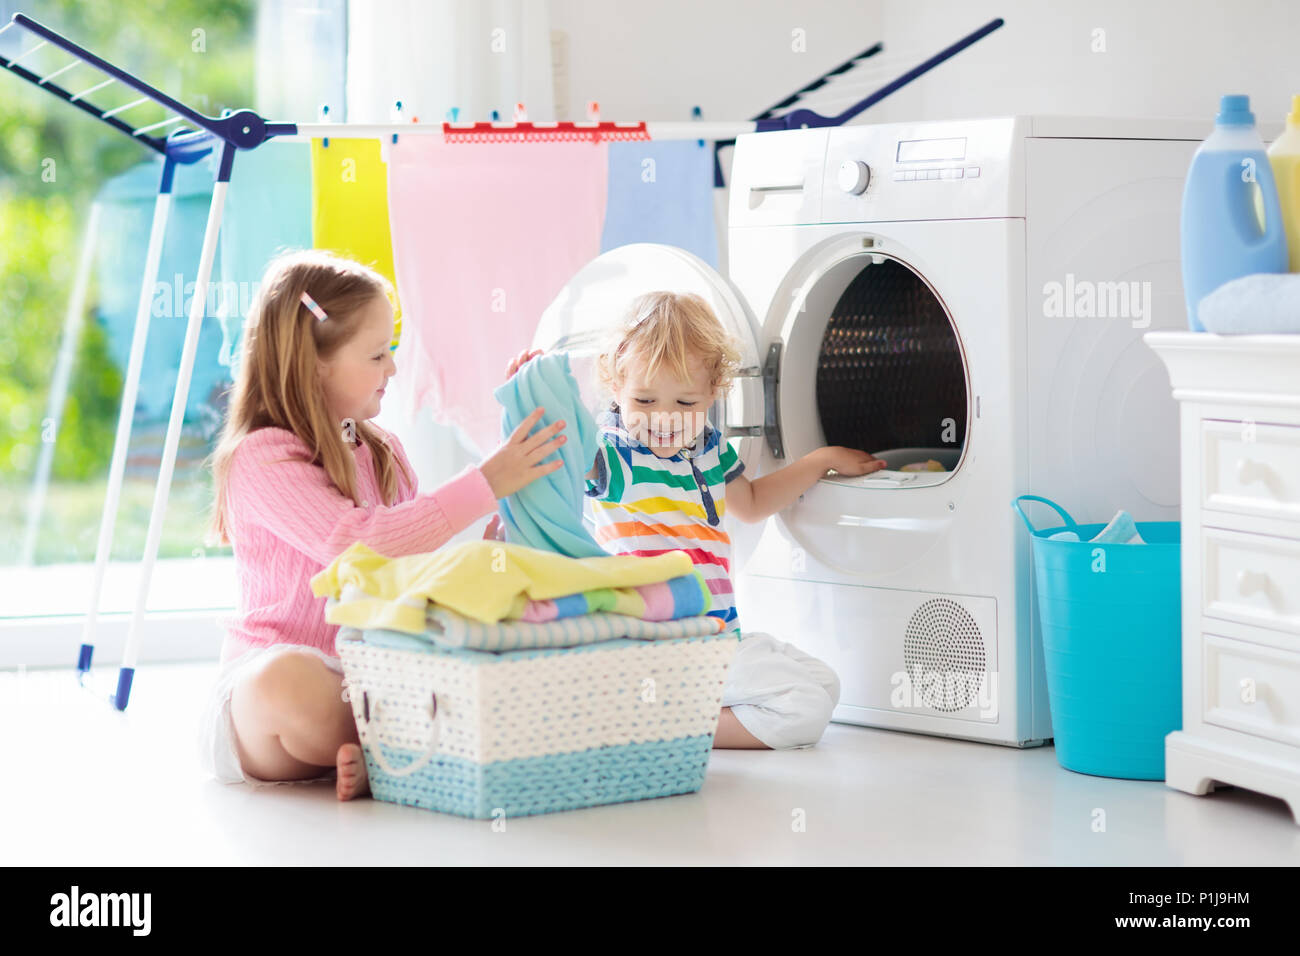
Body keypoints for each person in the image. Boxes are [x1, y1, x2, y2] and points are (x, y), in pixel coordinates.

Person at [198, 249, 566, 800]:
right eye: (377, 355)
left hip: (373, 677)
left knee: (486, 658)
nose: (392, 369)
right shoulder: (262, 457)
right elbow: (359, 546)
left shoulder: (384, 452)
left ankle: (391, 748)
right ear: (314, 363)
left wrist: (502, 517)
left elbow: (416, 566)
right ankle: (401, 748)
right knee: (285, 681)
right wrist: (487, 481)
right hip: (275, 696)